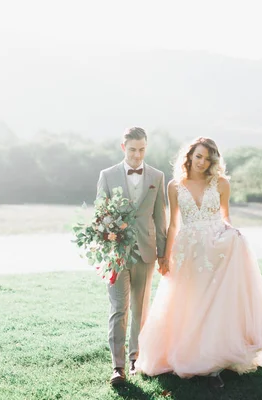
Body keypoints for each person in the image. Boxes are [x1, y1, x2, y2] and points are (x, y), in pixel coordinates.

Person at [136, 137, 262, 388]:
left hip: (217, 248)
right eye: (198, 156)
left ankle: (213, 365)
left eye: (208, 159)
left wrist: (234, 234)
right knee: (191, 302)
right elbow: (173, 224)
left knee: (214, 304)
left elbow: (226, 217)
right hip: (188, 251)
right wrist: (165, 257)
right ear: (189, 156)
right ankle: (189, 353)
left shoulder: (221, 183)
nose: (202, 162)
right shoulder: (175, 186)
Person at [96, 127, 168, 385]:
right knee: (118, 309)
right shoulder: (107, 175)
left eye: (142, 150)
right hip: (116, 254)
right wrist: (106, 245)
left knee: (140, 308)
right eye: (132, 149)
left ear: (146, 148)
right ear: (123, 147)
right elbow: (100, 216)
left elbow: (160, 217)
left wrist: (162, 253)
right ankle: (118, 367)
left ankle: (136, 359)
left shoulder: (157, 176)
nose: (137, 155)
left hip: (147, 250)